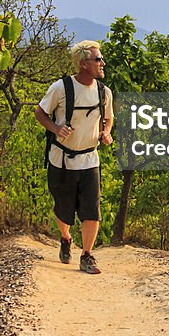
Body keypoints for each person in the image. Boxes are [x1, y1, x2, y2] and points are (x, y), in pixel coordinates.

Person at [34, 40, 113, 274]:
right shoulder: (61, 88)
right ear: (83, 64)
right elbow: (40, 112)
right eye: (98, 59)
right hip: (62, 160)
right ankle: (66, 237)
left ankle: (87, 255)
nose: (102, 63)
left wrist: (106, 133)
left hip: (90, 160)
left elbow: (108, 118)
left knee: (91, 210)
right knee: (63, 208)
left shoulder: (103, 92)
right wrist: (56, 129)